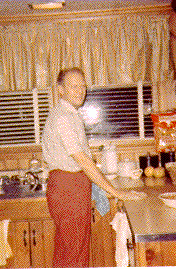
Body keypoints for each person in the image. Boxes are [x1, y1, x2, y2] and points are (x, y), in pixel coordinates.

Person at [42, 67, 127, 268]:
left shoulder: (69, 114)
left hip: (71, 187)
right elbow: (82, 160)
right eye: (74, 86)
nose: (80, 91)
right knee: (74, 254)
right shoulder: (63, 118)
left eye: (83, 86)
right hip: (68, 188)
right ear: (60, 90)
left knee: (69, 252)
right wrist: (115, 191)